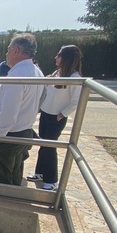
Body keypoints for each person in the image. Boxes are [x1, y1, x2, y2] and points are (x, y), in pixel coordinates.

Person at [0, 33, 44, 185]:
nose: (6, 54)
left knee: (2, 181)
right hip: (22, 132)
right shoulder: (36, 72)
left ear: (16, 51)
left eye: (8, 50)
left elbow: (9, 113)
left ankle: (2, 208)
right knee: (15, 175)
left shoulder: (18, 75)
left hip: (8, 136)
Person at [26, 45, 83, 190]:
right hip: (46, 113)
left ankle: (52, 180)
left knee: (50, 148)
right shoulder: (58, 73)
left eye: (59, 55)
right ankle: (40, 172)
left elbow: (76, 101)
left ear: (67, 58)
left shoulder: (74, 77)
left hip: (56, 117)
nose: (56, 58)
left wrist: (62, 114)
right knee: (43, 145)